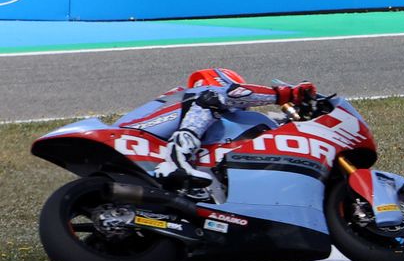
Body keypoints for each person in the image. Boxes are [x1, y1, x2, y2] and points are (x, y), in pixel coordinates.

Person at [118, 68, 316, 194]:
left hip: (146, 150)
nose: (243, 109)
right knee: (210, 97)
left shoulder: (196, 113)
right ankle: (176, 160)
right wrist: (285, 94)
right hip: (133, 137)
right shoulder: (197, 95)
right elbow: (230, 93)